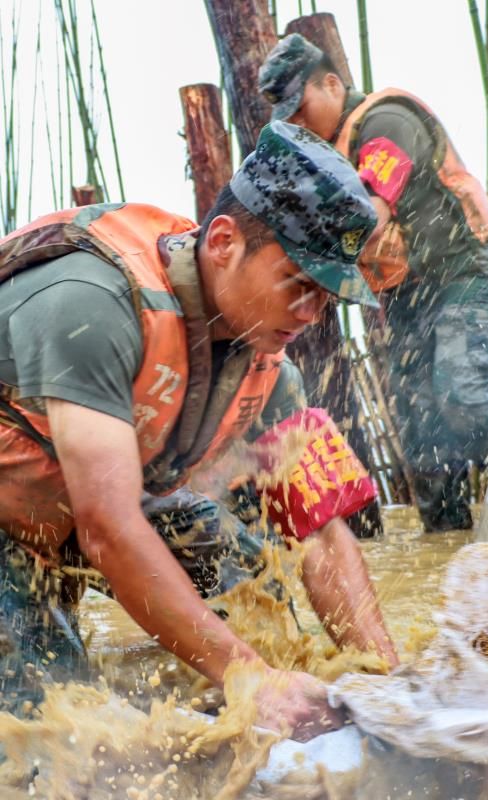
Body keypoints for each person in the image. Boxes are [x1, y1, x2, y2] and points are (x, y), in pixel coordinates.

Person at [0, 121, 397, 736]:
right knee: (51, 733)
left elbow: (320, 531)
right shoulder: (92, 304)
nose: (311, 315)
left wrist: (386, 682)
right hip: (19, 523)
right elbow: (108, 527)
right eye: (297, 284)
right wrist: (251, 681)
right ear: (222, 242)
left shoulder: (271, 369)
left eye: (326, 297)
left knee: (253, 600)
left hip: (72, 515)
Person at [259, 33, 488, 533]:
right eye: (289, 117)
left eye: (302, 108)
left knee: (461, 391)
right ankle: (445, 550)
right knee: (422, 435)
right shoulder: (327, 159)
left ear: (332, 83)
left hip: (461, 278)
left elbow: (371, 214)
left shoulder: (386, 121)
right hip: (406, 301)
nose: (297, 123)